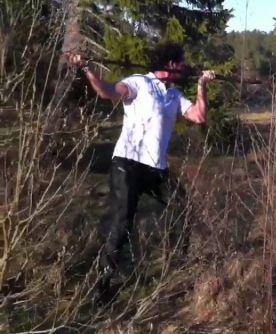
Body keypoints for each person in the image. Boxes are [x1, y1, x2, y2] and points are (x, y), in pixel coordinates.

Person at [67, 42, 215, 305]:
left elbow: (199, 116)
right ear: (169, 64)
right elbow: (107, 91)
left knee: (182, 208)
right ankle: (102, 287)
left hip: (155, 168)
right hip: (128, 164)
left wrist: (202, 85)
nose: (183, 67)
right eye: (180, 63)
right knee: (122, 224)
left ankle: (175, 263)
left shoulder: (174, 94)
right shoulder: (138, 83)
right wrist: (87, 68)